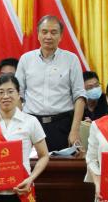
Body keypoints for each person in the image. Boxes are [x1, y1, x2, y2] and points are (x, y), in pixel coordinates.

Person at [0, 74, 50, 201]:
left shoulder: (31, 122)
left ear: (18, 94)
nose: (5, 96)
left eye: (10, 91)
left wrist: (31, 179)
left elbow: (44, 155)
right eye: (1, 92)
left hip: (22, 190)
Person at [15, 15, 86, 152]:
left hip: (62, 125)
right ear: (38, 34)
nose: (48, 36)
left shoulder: (71, 59)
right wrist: (20, 127)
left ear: (61, 36)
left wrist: (75, 130)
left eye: (54, 32)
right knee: (31, 163)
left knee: (62, 164)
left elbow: (80, 96)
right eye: (44, 32)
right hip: (32, 124)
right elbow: (18, 96)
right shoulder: (26, 59)